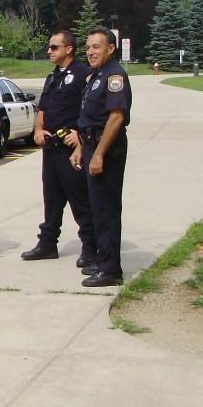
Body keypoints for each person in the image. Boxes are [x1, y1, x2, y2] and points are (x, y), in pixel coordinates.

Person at [20, 30, 97, 267]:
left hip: (71, 149)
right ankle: (47, 244)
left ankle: (90, 247)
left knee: (79, 199)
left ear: (68, 49)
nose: (49, 51)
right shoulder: (52, 76)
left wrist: (80, 136)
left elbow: (91, 110)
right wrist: (38, 130)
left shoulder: (84, 75)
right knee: (51, 199)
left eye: (54, 47)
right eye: (50, 47)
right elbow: (42, 109)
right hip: (51, 149)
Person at [71, 26, 132, 287]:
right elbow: (88, 120)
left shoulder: (114, 75)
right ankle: (102, 259)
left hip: (105, 149)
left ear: (111, 48)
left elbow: (116, 118)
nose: (91, 52)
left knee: (106, 210)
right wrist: (81, 148)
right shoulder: (97, 75)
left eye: (96, 47)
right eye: (88, 47)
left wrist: (99, 155)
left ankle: (110, 270)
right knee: (97, 209)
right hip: (90, 144)